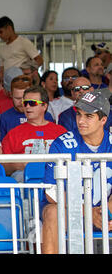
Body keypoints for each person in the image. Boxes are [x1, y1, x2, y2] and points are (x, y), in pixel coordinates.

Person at [42, 90, 112, 254]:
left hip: (103, 210)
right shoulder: (62, 143)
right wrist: (87, 211)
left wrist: (106, 211)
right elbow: (52, 193)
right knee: (52, 213)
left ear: (103, 120)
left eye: (88, 116)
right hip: (70, 210)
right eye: (79, 114)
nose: (81, 121)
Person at [1, 85, 67, 182]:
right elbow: (3, 166)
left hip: (56, 179)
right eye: (25, 103)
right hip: (26, 181)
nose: (27, 106)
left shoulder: (61, 132)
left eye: (32, 103)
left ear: (44, 106)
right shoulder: (13, 134)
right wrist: (18, 165)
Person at [0, 74, 54, 141]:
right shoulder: (5, 117)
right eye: (17, 98)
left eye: (25, 98)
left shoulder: (45, 115)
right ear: (11, 95)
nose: (22, 102)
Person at [0, 16, 44, 83]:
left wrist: (28, 72)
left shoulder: (24, 42)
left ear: (9, 28)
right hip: (8, 84)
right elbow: (2, 70)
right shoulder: (2, 48)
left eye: (1, 32)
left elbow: (39, 60)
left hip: (23, 82)